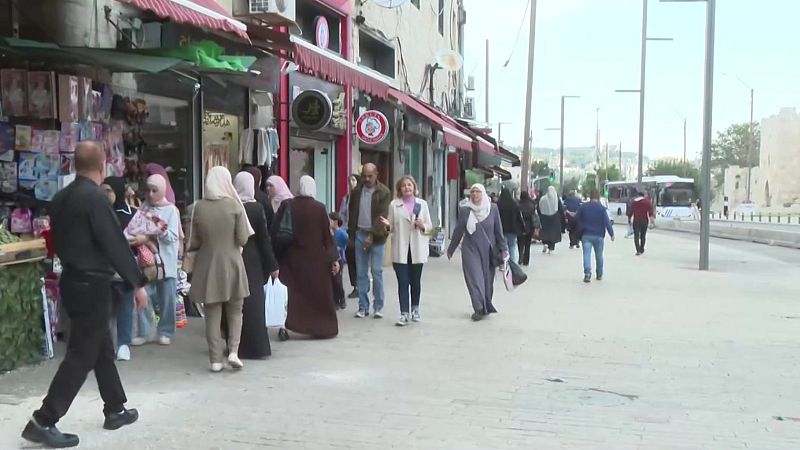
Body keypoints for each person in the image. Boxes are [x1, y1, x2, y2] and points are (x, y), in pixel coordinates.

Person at [23, 141, 147, 449]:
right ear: (103, 165)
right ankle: (44, 419)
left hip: (71, 280)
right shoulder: (94, 198)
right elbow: (113, 242)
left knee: (99, 345)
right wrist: (137, 282)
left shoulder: (61, 198)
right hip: (93, 283)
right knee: (81, 354)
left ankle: (115, 407)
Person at [187, 166, 253, 372]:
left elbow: (194, 241)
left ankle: (215, 359)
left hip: (208, 265)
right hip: (233, 263)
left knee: (212, 312)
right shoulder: (235, 206)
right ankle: (233, 351)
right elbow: (243, 238)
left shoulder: (198, 208)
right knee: (236, 310)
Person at [273, 175, 340, 338]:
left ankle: (288, 325)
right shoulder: (319, 208)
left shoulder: (287, 205)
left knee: (293, 295)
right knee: (316, 296)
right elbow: (327, 237)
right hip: (316, 261)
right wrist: (334, 259)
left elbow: (275, 231)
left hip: (291, 259)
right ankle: (320, 328)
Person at [233, 172, 280, 359]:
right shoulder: (256, 208)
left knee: (235, 304)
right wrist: (272, 265)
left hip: (234, 257)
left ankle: (235, 345)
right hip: (252, 261)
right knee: (254, 303)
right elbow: (264, 239)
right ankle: (257, 347)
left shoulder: (232, 206)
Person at [131, 174, 181, 347]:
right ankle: (145, 331)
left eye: (155, 190)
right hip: (147, 262)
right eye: (148, 190)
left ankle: (166, 331)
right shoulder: (144, 207)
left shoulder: (171, 210)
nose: (151, 194)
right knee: (143, 296)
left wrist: (156, 230)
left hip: (166, 262)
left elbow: (172, 237)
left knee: (167, 299)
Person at [447, 184, 508, 322]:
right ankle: (478, 308)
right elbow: (458, 230)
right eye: (472, 192)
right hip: (470, 249)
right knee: (474, 278)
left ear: (483, 194)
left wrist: (504, 249)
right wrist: (451, 248)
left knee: (487, 281)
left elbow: (499, 231)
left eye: (478, 192)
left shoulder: (492, 209)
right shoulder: (465, 210)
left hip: (488, 250)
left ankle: (486, 305)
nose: (474, 194)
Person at [378, 175, 433, 326]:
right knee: (403, 282)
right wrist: (388, 226)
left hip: (417, 249)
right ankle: (404, 313)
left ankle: (415, 309)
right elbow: (390, 228)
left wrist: (422, 225)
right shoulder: (394, 205)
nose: (407, 188)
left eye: (409, 185)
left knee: (415, 282)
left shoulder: (422, 204)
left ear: (415, 188)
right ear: (399, 189)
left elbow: (431, 229)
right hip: (401, 250)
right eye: (404, 186)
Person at [101, 177, 144, 362]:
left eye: (108, 191)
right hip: (103, 269)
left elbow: (147, 237)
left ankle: (124, 344)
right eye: (102, 190)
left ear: (118, 191)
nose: (105, 195)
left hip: (125, 268)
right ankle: (106, 346)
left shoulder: (132, 214)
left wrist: (140, 239)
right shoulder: (98, 213)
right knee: (104, 310)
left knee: (125, 307)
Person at [347, 163, 391, 319]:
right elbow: (351, 214)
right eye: (364, 176)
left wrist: (371, 235)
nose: (366, 179)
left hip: (377, 237)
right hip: (359, 233)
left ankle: (378, 306)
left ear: (376, 174)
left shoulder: (384, 192)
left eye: (369, 176)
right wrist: (351, 236)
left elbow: (382, 216)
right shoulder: (357, 191)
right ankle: (363, 306)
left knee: (376, 271)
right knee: (361, 272)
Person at [576, 190, 615, 283]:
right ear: (598, 197)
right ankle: (599, 274)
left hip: (586, 235)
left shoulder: (583, 207)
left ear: (590, 196)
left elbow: (576, 218)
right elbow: (607, 222)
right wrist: (611, 234)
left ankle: (587, 273)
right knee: (599, 255)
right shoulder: (602, 208)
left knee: (586, 254)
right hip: (599, 235)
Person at [339, 174, 360, 299]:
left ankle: (361, 284)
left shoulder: (361, 198)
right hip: (347, 232)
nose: (351, 183)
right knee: (350, 258)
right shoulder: (346, 198)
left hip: (358, 232)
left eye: (353, 180)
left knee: (358, 260)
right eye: (349, 181)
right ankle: (355, 286)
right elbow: (341, 214)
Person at [537, 186, 565, 254]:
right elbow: (561, 209)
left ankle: (545, 243)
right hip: (554, 218)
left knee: (545, 231)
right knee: (553, 233)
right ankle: (551, 248)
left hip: (544, 218)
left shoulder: (543, 198)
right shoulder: (556, 199)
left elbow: (538, 208)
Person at [329, 212, 348, 310]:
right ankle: (335, 301)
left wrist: (342, 249)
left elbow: (347, 242)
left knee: (337, 281)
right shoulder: (329, 233)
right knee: (332, 281)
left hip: (339, 260)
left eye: (330, 220)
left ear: (335, 221)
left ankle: (342, 298)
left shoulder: (341, 233)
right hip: (330, 260)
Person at [497, 187, 521, 263]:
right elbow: (518, 217)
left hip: (501, 229)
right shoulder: (514, 204)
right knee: (512, 245)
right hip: (512, 228)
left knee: (501, 246)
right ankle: (512, 262)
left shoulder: (498, 204)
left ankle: (502, 262)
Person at [627, 190, 655, 256]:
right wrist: (652, 222)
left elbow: (630, 212)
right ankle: (642, 248)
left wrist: (629, 219)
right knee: (643, 235)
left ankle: (638, 250)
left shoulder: (634, 202)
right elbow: (650, 212)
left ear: (638, 195)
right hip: (644, 220)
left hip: (636, 220)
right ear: (643, 196)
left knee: (636, 236)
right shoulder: (647, 202)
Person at [517, 191, 538, 266]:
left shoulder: (518, 205)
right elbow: (534, 216)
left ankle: (520, 257)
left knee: (520, 243)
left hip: (520, 225)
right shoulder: (532, 205)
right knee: (527, 244)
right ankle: (526, 260)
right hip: (529, 226)